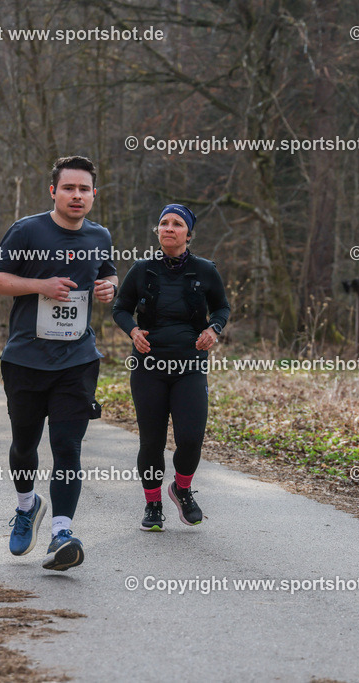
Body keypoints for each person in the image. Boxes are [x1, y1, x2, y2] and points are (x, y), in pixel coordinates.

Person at [0, 155, 117, 571]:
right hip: (26, 359)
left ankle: (62, 533)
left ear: (94, 195)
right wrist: (40, 285)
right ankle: (27, 506)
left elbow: (109, 274)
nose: (77, 195)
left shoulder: (100, 236)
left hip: (77, 360)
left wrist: (110, 288)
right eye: (69, 188)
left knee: (67, 447)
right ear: (53, 191)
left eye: (84, 189)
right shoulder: (27, 230)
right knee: (25, 445)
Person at [112, 204, 230, 531]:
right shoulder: (142, 269)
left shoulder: (205, 270)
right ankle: (153, 505)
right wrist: (133, 331)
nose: (169, 228)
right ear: (158, 231)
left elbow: (221, 307)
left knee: (190, 438)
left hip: (189, 365)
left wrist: (213, 329)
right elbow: (120, 308)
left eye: (177, 224)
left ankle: (182, 488)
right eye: (164, 222)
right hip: (149, 366)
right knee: (151, 441)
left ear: (188, 235)